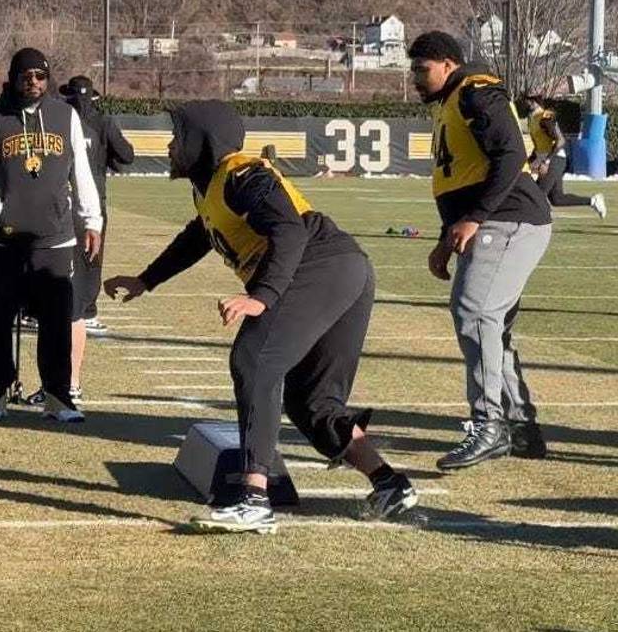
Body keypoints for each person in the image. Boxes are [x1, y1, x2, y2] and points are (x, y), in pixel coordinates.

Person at [104, 100, 416, 533]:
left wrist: (262, 296)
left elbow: (289, 229)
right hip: (344, 269)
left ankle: (254, 497)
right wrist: (146, 279)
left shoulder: (241, 173)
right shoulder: (213, 187)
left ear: (202, 141)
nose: (172, 145)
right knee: (312, 402)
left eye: (179, 135)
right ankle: (388, 481)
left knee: (254, 359)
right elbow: (199, 236)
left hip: (321, 263)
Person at [408, 31, 552, 471]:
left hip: (509, 218)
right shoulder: (452, 103)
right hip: (497, 221)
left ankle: (488, 424)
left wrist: (474, 218)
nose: (415, 77)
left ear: (448, 64)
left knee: (475, 312)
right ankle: (520, 427)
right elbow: (461, 180)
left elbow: (511, 155)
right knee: (491, 325)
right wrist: (444, 238)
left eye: (422, 69)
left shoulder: (476, 92)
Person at [0, 48, 103, 424]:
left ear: (48, 79)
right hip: (2, 239)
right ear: (13, 77)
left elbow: (82, 171)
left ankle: (58, 397)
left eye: (40, 77)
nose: (34, 83)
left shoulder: (65, 115)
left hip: (54, 238)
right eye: (26, 76)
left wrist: (93, 220)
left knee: (57, 319)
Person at [58, 75, 134, 405]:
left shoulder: (58, 119)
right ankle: (86, 310)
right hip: (94, 203)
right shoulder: (103, 121)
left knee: (58, 260)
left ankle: (47, 309)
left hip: (60, 204)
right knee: (91, 260)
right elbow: (126, 156)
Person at [519, 95, 607, 218]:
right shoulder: (532, 119)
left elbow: (560, 141)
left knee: (537, 194)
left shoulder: (545, 117)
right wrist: (529, 161)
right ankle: (593, 201)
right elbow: (539, 145)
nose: (526, 103)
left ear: (535, 101)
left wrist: (547, 161)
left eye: (528, 100)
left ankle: (537, 221)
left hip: (555, 159)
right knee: (557, 199)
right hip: (548, 159)